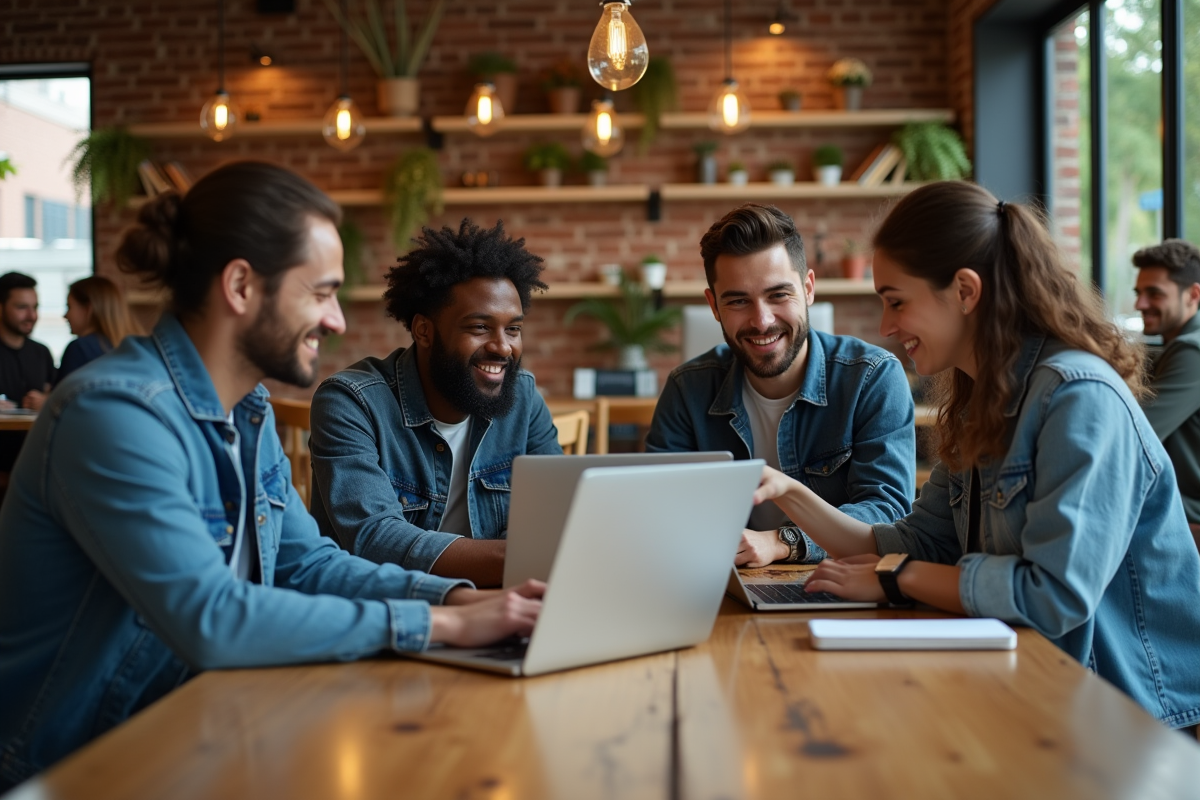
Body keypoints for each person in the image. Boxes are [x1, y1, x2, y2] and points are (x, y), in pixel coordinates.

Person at [0, 162, 543, 789]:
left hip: (200, 730)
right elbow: (211, 618)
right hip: (77, 767)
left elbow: (307, 565)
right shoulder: (114, 413)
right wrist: (441, 625)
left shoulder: (247, 412)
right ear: (240, 287)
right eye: (320, 293)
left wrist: (459, 599)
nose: (337, 321)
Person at [752, 181, 1200, 731]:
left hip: (1126, 717)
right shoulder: (979, 402)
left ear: (965, 290)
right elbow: (920, 540)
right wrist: (790, 493)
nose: (886, 326)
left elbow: (1052, 596)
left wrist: (899, 576)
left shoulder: (1078, 397)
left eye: (896, 301)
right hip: (1030, 687)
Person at [645, 204, 915, 568]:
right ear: (714, 306)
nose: (762, 321)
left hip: (836, 580)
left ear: (808, 289)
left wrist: (782, 542)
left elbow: (887, 511)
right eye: (738, 301)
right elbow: (659, 510)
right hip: (721, 582)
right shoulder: (687, 388)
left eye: (778, 295)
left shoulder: (872, 378)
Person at [309, 219, 561, 588]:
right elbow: (376, 539)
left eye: (513, 329)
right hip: (385, 607)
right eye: (480, 327)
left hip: (499, 598)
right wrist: (522, 560)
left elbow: (552, 516)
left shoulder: (522, 397)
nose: (503, 347)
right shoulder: (352, 402)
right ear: (423, 330)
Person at [1131, 239, 1200, 538]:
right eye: (1138, 293)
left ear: (1193, 295)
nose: (1140, 304)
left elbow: (1134, 435)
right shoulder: (1177, 347)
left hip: (1187, 519)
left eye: (1154, 294)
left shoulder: (1192, 351)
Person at [0, 272, 55, 498]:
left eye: (35, 307)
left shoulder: (41, 352)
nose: (32, 316)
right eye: (22, 307)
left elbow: (59, 395)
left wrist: (47, 401)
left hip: (36, 469)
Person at [57, 274, 143, 383]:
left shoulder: (79, 348)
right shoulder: (136, 348)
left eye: (69, 307)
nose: (65, 316)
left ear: (88, 309)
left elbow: (67, 393)